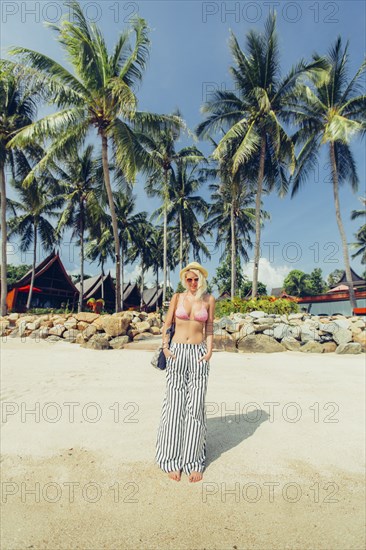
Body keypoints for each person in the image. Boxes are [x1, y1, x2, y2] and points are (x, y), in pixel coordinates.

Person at [155, 262, 215, 483]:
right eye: (188, 279)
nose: (192, 283)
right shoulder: (178, 298)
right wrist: (165, 347)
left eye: (196, 279)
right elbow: (168, 322)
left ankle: (193, 460)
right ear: (184, 280)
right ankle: (171, 459)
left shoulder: (209, 299)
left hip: (199, 354)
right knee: (174, 405)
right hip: (177, 352)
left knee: (195, 407)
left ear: (202, 279)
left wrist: (209, 351)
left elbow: (209, 327)